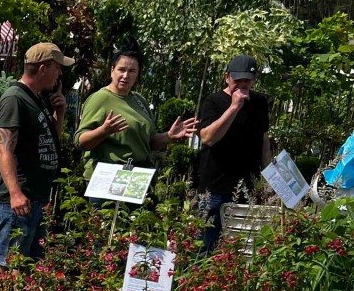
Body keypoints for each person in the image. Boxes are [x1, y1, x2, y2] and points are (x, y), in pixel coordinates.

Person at [0, 42, 74, 273]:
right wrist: (16, 194)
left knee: (27, 264)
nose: (60, 74)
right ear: (43, 68)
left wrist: (59, 115)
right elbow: (4, 149)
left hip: (37, 198)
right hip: (19, 200)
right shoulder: (14, 99)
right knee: (7, 262)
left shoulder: (36, 99)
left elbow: (49, 143)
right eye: (58, 68)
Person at [195, 54, 271, 251]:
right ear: (227, 77)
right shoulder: (214, 102)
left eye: (247, 80)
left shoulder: (260, 102)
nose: (242, 85)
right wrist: (234, 107)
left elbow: (263, 140)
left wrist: (269, 175)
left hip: (247, 187)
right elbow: (207, 137)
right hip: (216, 188)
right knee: (206, 246)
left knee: (241, 247)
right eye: (238, 80)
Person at [75, 48, 197, 166]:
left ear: (138, 74)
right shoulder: (99, 99)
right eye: (121, 70)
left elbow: (149, 142)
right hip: (108, 175)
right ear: (112, 70)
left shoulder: (139, 100)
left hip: (136, 175)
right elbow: (80, 142)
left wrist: (169, 136)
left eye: (132, 71)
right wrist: (103, 131)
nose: (125, 75)